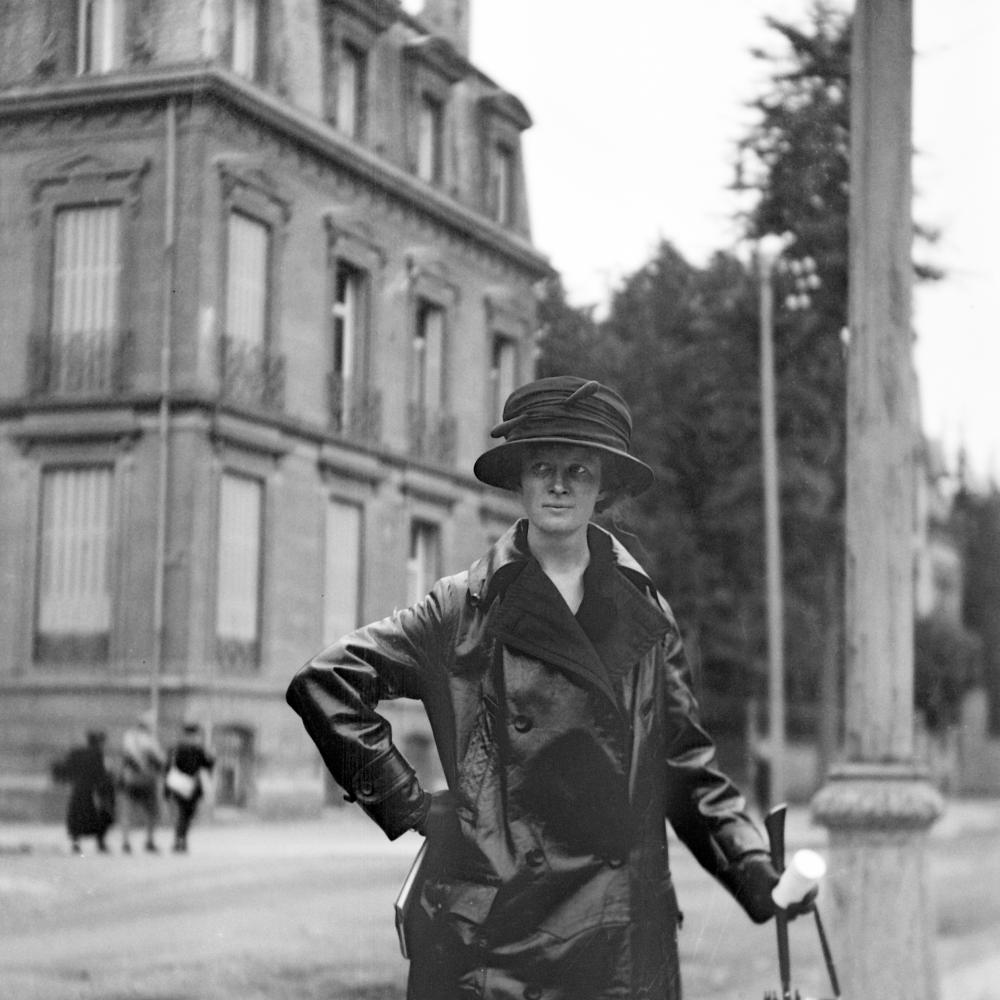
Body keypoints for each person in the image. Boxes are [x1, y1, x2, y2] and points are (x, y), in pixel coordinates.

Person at [287, 376, 812, 1000]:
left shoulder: (647, 615)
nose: (560, 484)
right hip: (498, 949)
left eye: (579, 469)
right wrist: (415, 809)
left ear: (603, 486)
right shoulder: (462, 609)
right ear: (520, 479)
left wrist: (757, 870)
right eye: (543, 466)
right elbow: (327, 681)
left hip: (619, 941)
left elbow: (686, 769)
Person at [52, 730, 116, 854]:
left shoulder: (76, 753)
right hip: (93, 792)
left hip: (78, 790)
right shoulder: (97, 754)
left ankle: (76, 843)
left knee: (76, 817)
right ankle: (100, 842)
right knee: (99, 816)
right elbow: (101, 774)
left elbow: (66, 769)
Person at [118, 709, 166, 854]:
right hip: (147, 780)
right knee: (151, 812)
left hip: (129, 779)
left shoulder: (128, 736)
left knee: (127, 812)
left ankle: (125, 843)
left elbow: (126, 756)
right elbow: (161, 759)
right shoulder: (150, 740)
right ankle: (149, 842)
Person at [164, 721, 216, 853]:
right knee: (184, 813)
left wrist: (210, 757)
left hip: (183, 786)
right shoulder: (191, 750)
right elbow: (205, 766)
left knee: (185, 814)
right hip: (186, 786)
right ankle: (180, 840)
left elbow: (168, 769)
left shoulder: (179, 749)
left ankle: (180, 840)